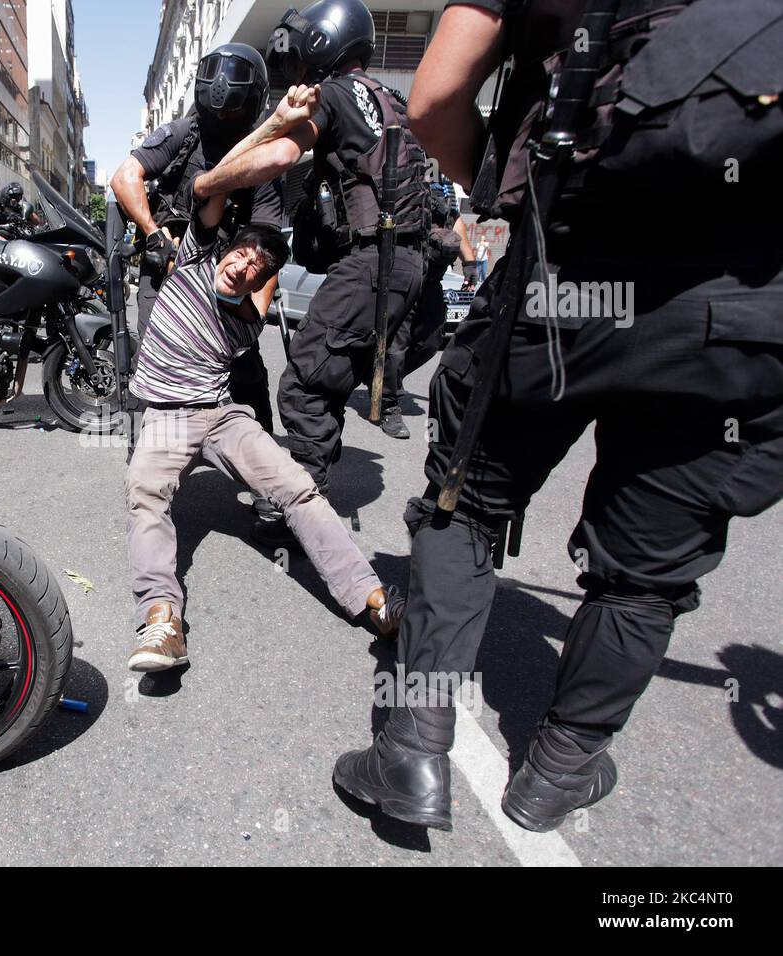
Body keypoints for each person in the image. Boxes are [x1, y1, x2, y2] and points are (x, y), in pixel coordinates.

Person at [331, 0, 783, 833]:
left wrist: (515, 196)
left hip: (564, 273)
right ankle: (559, 771)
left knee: (463, 505)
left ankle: (415, 741)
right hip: (742, 310)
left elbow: (433, 100)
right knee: (648, 572)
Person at [125, 88, 405, 674]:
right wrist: (276, 123)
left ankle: (374, 599)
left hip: (223, 416)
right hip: (168, 417)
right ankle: (161, 621)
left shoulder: (246, 322)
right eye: (243, 253)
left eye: (257, 266)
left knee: (299, 489)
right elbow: (210, 186)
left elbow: (259, 290)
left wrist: (261, 283)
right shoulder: (194, 257)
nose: (244, 262)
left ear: (260, 282)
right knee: (147, 497)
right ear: (226, 249)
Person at [192, 0, 429, 545]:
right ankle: (309, 482)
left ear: (321, 44)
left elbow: (278, 160)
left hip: (373, 261)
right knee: (330, 376)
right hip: (408, 264)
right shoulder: (392, 98)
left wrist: (213, 182)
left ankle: (296, 509)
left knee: (304, 383)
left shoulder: (336, 95)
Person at [112, 43, 282, 433]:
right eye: (217, 108)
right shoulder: (182, 135)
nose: (223, 115)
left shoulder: (261, 156)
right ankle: (150, 454)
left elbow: (268, 244)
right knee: (156, 363)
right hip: (168, 272)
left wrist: (253, 311)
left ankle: (259, 462)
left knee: (246, 370)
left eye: (231, 110)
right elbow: (124, 178)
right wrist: (155, 238)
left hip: (226, 279)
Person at [378, 186, 464, 439]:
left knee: (431, 341)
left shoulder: (444, 185)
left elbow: (457, 223)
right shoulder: (403, 176)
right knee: (396, 346)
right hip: (404, 275)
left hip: (432, 280)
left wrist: (469, 263)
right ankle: (389, 403)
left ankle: (385, 377)